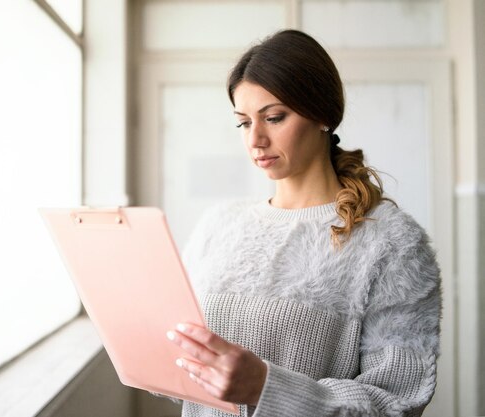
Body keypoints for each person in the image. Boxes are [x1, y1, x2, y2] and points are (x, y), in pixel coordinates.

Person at [164, 29, 442, 417]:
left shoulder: (393, 242)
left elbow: (397, 402)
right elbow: (180, 364)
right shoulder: (218, 225)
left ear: (324, 115)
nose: (256, 140)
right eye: (243, 123)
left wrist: (265, 388)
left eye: (274, 117)